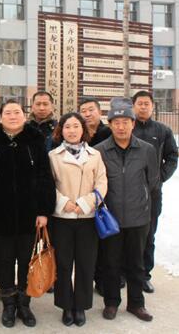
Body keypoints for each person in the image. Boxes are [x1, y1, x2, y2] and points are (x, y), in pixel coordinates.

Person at [0, 99, 56, 328]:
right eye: (8, 113)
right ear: (0, 117)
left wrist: (43, 211)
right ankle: (8, 303)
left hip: (29, 214)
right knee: (3, 261)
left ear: (24, 116)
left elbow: (45, 177)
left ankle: (24, 303)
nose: (12, 116)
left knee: (26, 261)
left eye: (17, 112)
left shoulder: (36, 139)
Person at [95, 97, 159, 323]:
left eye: (125, 122)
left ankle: (136, 303)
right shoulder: (99, 151)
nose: (121, 127)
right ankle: (111, 302)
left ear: (133, 123)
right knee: (110, 263)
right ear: (110, 125)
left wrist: (142, 204)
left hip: (138, 217)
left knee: (136, 264)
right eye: (116, 122)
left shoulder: (146, 150)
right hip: (110, 219)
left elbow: (152, 181)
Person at [49, 113, 107, 327]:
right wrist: (64, 202)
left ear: (83, 129)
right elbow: (48, 184)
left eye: (76, 126)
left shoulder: (95, 155)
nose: (72, 130)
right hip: (62, 217)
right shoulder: (53, 156)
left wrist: (86, 203)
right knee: (63, 264)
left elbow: (102, 183)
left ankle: (81, 305)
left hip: (87, 217)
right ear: (61, 130)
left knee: (85, 263)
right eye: (67, 127)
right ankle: (66, 305)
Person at [132, 91, 178, 294]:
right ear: (133, 106)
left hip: (152, 193)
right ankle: (124, 272)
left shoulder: (162, 131)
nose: (143, 107)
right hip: (126, 191)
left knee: (148, 234)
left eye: (147, 104)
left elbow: (172, 157)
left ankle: (144, 275)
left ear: (152, 106)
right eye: (140, 103)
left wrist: (160, 178)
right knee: (124, 233)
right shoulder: (126, 127)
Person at [79, 96, 113, 294]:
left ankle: (101, 279)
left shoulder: (108, 133)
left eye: (91, 110)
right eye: (83, 111)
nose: (87, 114)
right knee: (86, 244)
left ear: (100, 112)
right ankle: (86, 279)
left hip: (103, 193)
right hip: (79, 196)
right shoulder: (76, 134)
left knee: (103, 241)